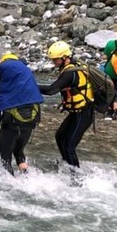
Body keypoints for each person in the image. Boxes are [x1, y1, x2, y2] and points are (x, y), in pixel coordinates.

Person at [0, 53, 43, 175]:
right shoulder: (29, 81)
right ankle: (27, 178)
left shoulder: (2, 85)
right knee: (19, 151)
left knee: (5, 156)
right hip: (32, 119)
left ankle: (10, 183)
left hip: (11, 122)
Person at [38, 41, 94, 169]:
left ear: (64, 58)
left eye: (56, 60)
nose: (54, 63)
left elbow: (52, 90)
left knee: (69, 146)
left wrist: (31, 86)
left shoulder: (69, 73)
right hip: (77, 112)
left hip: (84, 113)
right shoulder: (73, 66)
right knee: (60, 136)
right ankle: (66, 164)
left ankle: (76, 176)